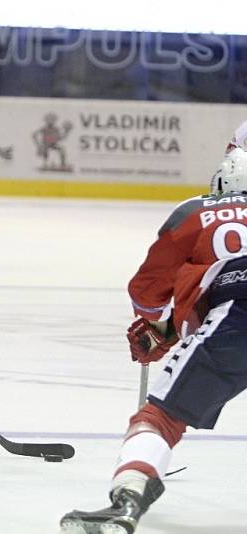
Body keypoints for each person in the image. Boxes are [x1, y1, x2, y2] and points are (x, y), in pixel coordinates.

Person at [60, 137, 247, 532]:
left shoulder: (197, 210)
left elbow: (147, 288)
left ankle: (128, 498)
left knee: (160, 418)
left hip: (237, 320)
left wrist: (158, 327)